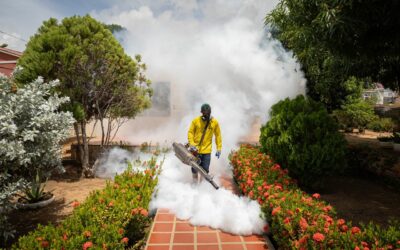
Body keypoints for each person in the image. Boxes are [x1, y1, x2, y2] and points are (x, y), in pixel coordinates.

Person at [188, 103, 222, 183]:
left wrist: (219, 148)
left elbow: (218, 135)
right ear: (201, 112)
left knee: (205, 170)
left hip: (207, 151)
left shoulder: (214, 122)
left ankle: (201, 187)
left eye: (207, 113)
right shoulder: (196, 121)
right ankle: (194, 183)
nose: (205, 115)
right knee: (194, 168)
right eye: (204, 113)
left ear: (210, 112)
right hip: (195, 150)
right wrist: (192, 144)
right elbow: (190, 132)